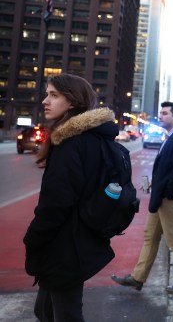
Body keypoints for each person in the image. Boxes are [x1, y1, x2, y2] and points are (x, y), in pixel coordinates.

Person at [24, 73, 119, 321]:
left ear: (74, 102)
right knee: (46, 309)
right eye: (47, 94)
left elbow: (56, 203)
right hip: (82, 237)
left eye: (54, 95)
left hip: (64, 243)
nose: (45, 100)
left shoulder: (69, 143)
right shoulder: (96, 138)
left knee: (65, 313)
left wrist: (33, 237)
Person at [112, 102, 173, 294]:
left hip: (171, 199)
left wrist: (167, 193)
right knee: (150, 237)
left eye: (164, 113)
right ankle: (137, 277)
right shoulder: (170, 138)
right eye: (160, 112)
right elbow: (167, 169)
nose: (160, 116)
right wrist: (154, 182)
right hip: (161, 197)